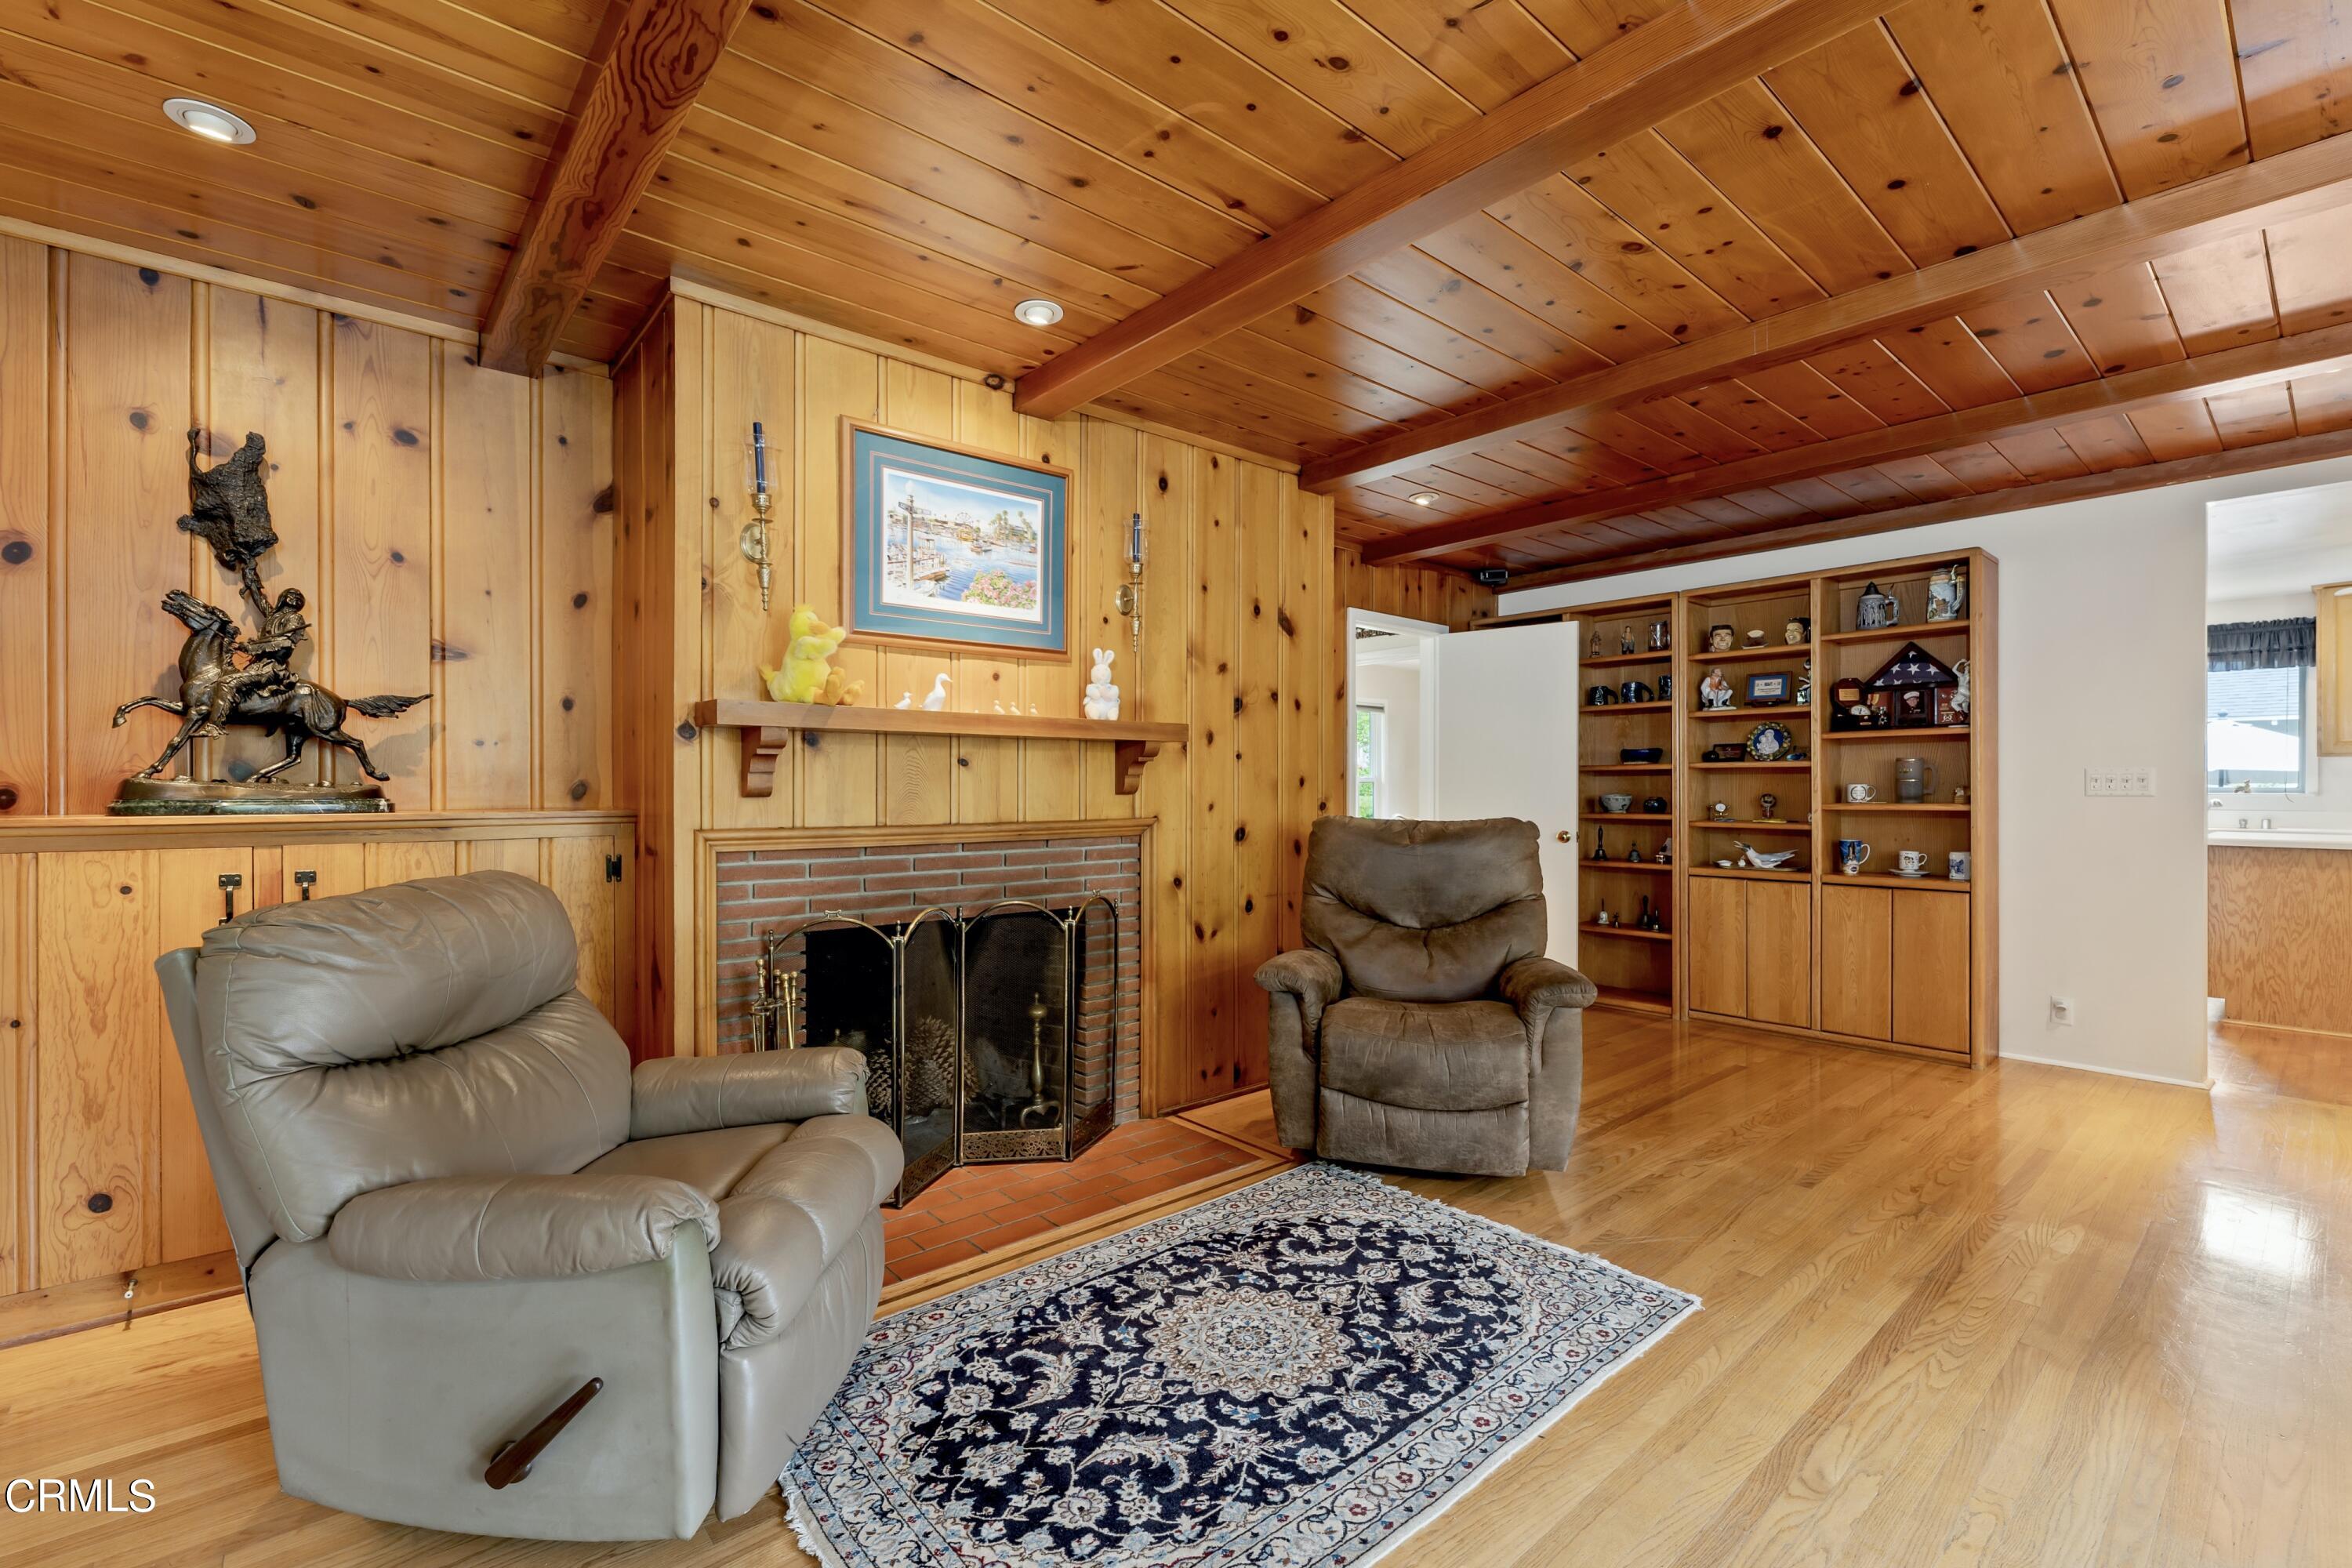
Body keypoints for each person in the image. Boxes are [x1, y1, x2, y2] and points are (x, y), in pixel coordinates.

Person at [196, 586, 307, 739]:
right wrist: (250, 574)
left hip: (272, 668)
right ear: (283, 597)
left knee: (227, 682)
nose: (295, 597)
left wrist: (252, 648)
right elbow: (259, 598)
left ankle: (216, 725)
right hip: (257, 666)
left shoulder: (295, 618)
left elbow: (284, 642)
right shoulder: (273, 615)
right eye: (292, 594)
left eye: (299, 596)